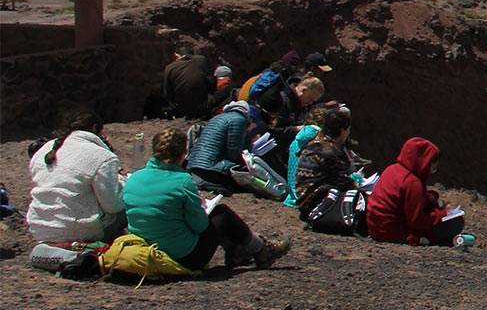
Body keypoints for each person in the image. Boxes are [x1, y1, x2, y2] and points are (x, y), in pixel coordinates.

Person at [123, 128, 289, 271]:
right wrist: (199, 206)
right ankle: (261, 250)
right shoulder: (182, 181)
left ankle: (238, 252)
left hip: (146, 248)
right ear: (183, 153)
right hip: (183, 256)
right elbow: (200, 225)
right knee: (221, 214)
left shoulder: (134, 179)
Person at [26, 106, 126, 247]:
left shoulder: (44, 150)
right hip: (80, 230)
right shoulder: (102, 156)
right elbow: (113, 206)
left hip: (40, 228)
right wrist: (125, 184)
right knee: (129, 205)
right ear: (95, 127)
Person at [366, 137, 468, 246]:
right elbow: (417, 220)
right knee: (455, 222)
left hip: (375, 227)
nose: (431, 171)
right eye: (432, 168)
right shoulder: (413, 183)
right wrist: (444, 214)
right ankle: (424, 240)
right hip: (393, 232)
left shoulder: (392, 169)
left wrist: (430, 198)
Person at [184, 101, 265, 193]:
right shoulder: (239, 120)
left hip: (195, 166)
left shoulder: (218, 117)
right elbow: (234, 153)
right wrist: (250, 145)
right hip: (210, 169)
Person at [287, 105, 353, 207]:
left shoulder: (310, 146)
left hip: (300, 198)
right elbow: (345, 184)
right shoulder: (332, 152)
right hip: (316, 204)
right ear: (342, 131)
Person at [162, 50, 217, 118]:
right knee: (230, 87)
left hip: (183, 109)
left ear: (176, 55)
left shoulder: (169, 67)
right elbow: (209, 79)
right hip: (204, 106)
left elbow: (168, 93)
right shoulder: (201, 59)